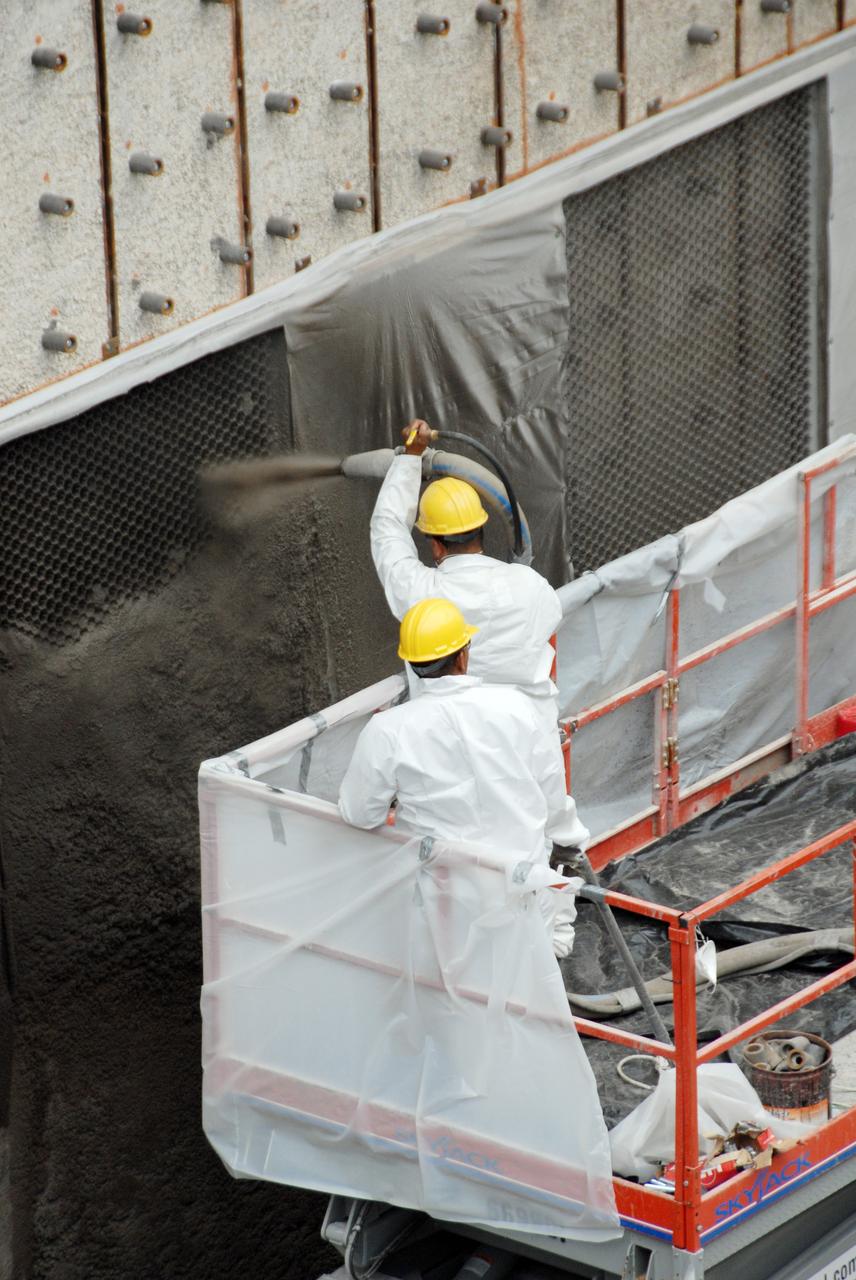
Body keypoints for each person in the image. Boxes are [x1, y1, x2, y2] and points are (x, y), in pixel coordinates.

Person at [339, 599, 588, 955]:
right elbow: (553, 799)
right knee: (523, 995)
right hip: (522, 893)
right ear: (463, 655)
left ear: (410, 663)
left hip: (443, 906)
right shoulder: (518, 707)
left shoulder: (388, 730)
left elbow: (359, 813)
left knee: (453, 998)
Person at [370, 420, 562, 732]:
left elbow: (387, 528)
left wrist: (409, 458)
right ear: (482, 528)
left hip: (454, 738)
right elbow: (550, 618)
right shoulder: (532, 587)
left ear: (434, 544)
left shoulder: (421, 595)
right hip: (530, 736)